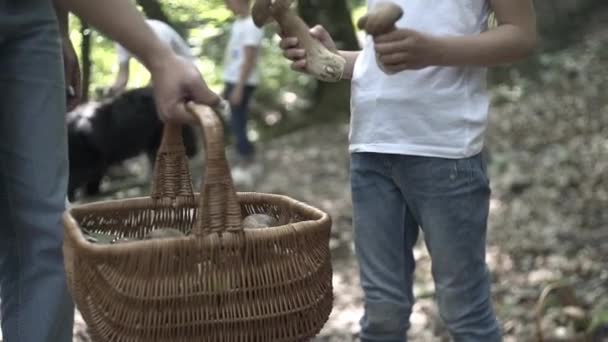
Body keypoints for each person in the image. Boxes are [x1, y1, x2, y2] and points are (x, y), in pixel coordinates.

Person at [279, 0, 537, 341]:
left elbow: (522, 36)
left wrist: (432, 50)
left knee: (465, 310)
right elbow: (381, 63)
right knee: (383, 311)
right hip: (371, 150)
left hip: (444, 153)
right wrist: (335, 61)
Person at [0, 0, 220, 341]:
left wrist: (59, 28)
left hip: (31, 20)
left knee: (48, 227)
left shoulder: (153, 31)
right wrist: (159, 60)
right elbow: (122, 75)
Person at [223, 0, 264, 173]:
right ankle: (244, 155)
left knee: (238, 121)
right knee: (235, 120)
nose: (226, 6)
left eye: (228, 2)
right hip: (232, 79)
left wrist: (239, 88)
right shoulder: (239, 23)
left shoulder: (252, 24)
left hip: (242, 81)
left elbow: (249, 59)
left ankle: (247, 161)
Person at [110, 19, 195, 95]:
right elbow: (122, 78)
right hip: (162, 71)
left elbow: (162, 73)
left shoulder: (156, 33)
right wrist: (111, 93)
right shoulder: (121, 41)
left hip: (185, 67)